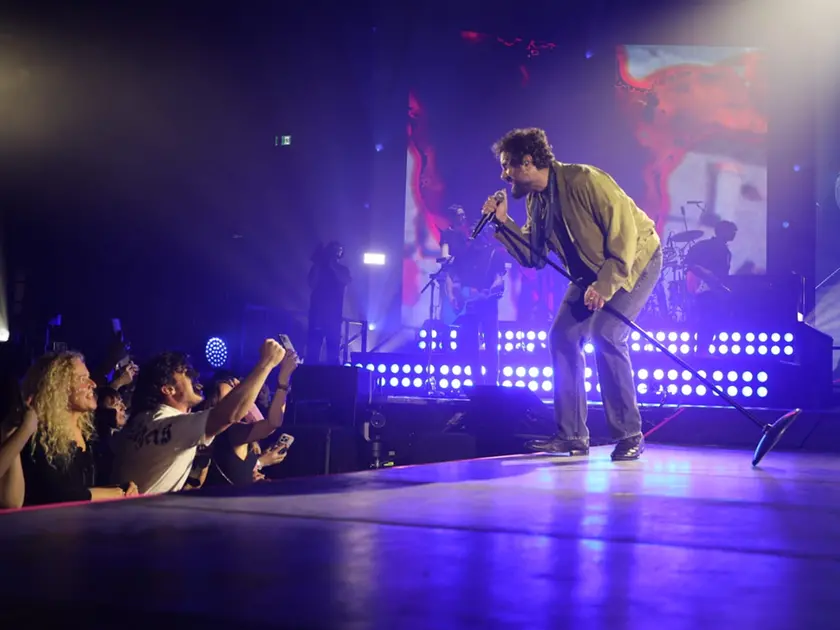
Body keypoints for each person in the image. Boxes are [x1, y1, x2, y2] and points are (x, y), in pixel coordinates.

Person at [483, 127, 662, 461]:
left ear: (528, 162)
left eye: (507, 165)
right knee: (562, 337)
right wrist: (503, 223)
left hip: (635, 260)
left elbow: (624, 235)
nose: (503, 174)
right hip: (588, 274)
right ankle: (572, 436)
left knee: (606, 333)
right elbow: (534, 258)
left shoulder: (585, 180)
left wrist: (606, 285)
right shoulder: (538, 201)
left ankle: (629, 434)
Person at [112, 339, 286, 494]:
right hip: (146, 518)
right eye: (185, 372)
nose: (194, 375)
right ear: (168, 389)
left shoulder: (141, 420)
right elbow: (231, 413)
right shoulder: (175, 424)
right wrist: (266, 363)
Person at [17, 352, 140, 505]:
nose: (93, 384)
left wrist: (120, 489)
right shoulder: (39, 435)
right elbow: (56, 495)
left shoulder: (89, 432)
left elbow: (84, 488)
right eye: (82, 378)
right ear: (58, 387)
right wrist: (111, 493)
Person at [443, 232, 506, 386]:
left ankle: (492, 383)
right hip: (468, 307)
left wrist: (492, 290)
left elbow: (499, 279)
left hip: (487, 305)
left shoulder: (493, 253)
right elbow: (450, 276)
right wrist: (451, 296)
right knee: (470, 346)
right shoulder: (463, 253)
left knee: (491, 344)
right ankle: (476, 382)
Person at [685, 220, 737, 353]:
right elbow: (691, 264)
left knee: (708, 319)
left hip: (711, 289)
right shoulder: (709, 247)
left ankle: (702, 350)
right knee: (707, 319)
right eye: (732, 231)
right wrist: (706, 275)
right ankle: (702, 350)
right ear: (724, 231)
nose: (734, 234)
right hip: (707, 290)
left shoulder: (720, 249)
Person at [306, 241, 351, 364]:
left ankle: (332, 373)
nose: (335, 252)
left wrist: (332, 265)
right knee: (313, 350)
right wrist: (318, 264)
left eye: (338, 250)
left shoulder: (342, 270)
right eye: (333, 250)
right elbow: (312, 283)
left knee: (333, 351)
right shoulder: (319, 268)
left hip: (334, 316)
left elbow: (345, 280)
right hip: (317, 314)